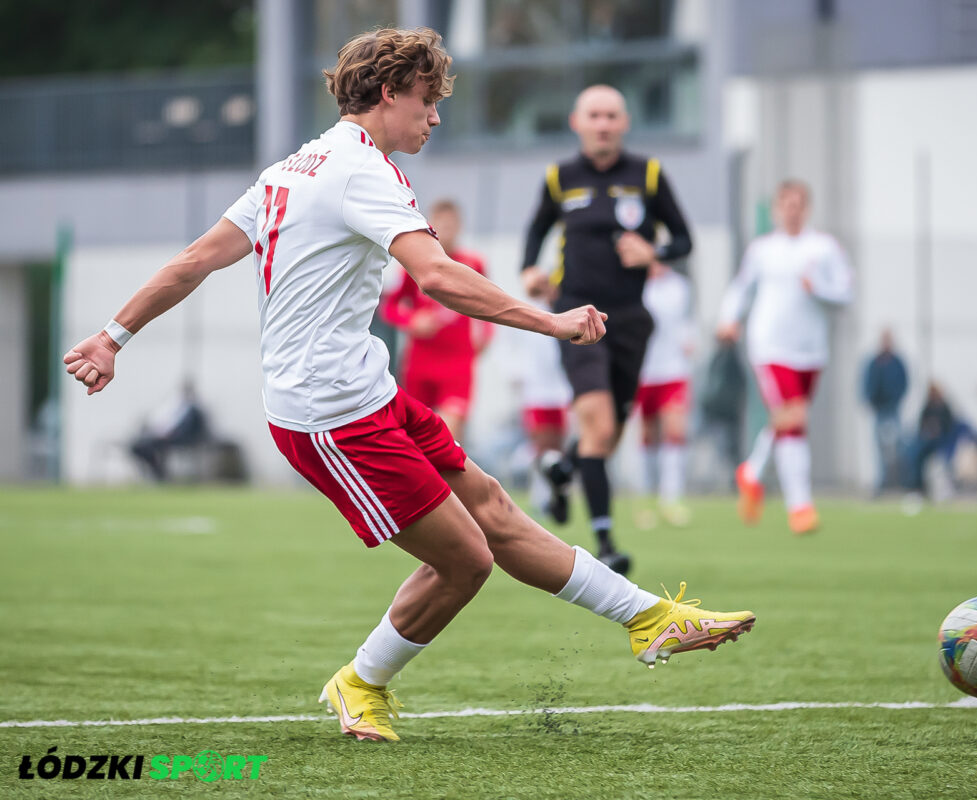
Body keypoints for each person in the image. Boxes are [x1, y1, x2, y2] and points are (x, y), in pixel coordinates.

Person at [64, 28, 753, 744]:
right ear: (388, 94)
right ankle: (360, 683)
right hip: (327, 414)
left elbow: (195, 259)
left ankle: (649, 619)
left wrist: (113, 337)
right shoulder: (363, 171)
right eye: (426, 102)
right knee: (464, 559)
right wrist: (548, 323)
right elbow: (438, 275)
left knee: (493, 507)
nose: (435, 117)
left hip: (366, 390)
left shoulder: (293, 167)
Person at [521, 84, 693, 574]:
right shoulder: (560, 177)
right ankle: (605, 543)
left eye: (611, 115)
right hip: (577, 315)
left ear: (624, 122)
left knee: (608, 434)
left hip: (632, 321)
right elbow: (536, 229)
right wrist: (530, 270)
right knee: (597, 424)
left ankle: (563, 470)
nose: (602, 124)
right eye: (594, 115)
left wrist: (654, 252)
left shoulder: (649, 174)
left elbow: (684, 238)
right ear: (577, 122)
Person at [717, 180, 854, 535]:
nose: (791, 211)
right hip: (770, 346)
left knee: (787, 418)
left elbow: (846, 292)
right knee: (795, 419)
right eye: (785, 205)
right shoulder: (763, 250)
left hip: (811, 350)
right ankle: (801, 507)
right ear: (777, 209)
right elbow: (741, 287)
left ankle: (751, 471)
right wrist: (729, 319)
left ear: (806, 208)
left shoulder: (824, 248)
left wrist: (819, 289)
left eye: (798, 204)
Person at [379, 198, 492, 441]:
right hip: (421, 360)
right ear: (430, 226)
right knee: (418, 437)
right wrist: (412, 321)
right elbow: (389, 307)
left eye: (451, 225)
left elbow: (490, 302)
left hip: (458, 361)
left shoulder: (473, 263)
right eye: (441, 225)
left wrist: (486, 334)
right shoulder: (416, 264)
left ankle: (449, 477)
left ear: (459, 226)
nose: (446, 231)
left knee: (450, 435)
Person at [633, 261, 695, 528]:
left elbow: (687, 321)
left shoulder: (680, 287)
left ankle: (671, 499)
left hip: (673, 370)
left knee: (675, 430)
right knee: (648, 434)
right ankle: (645, 499)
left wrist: (690, 340)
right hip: (643, 371)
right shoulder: (634, 286)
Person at [519, 293, 574, 524]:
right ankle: (540, 499)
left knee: (558, 449)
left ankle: (556, 498)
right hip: (536, 393)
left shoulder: (568, 310)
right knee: (541, 446)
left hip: (561, 392)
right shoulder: (527, 308)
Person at [129, 379, 210, 482]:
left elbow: (186, 429)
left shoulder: (193, 409)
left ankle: (159, 473)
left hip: (179, 439)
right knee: (140, 446)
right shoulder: (175, 406)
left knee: (146, 446)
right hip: (163, 436)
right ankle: (158, 471)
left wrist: (171, 434)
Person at [861, 329, 908, 496]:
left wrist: (895, 400)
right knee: (879, 449)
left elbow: (904, 383)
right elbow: (867, 384)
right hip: (879, 411)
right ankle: (881, 483)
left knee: (898, 447)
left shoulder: (897, 362)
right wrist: (869, 401)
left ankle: (901, 482)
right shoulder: (874, 362)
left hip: (893, 410)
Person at [904, 381, 959, 496]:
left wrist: (937, 430)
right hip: (927, 441)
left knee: (940, 459)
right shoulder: (927, 407)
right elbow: (921, 426)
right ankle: (916, 486)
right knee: (915, 454)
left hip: (941, 441)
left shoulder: (945, 408)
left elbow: (949, 427)